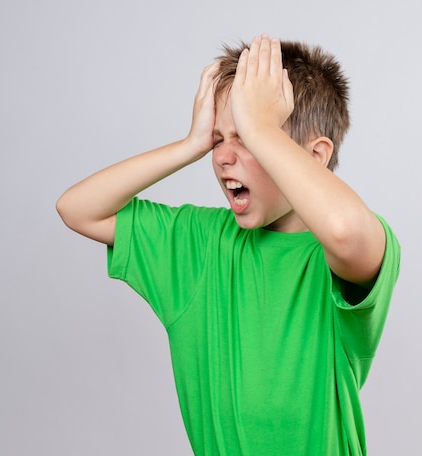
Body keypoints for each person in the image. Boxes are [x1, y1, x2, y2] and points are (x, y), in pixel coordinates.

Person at [57, 34, 400, 456]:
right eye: (219, 139)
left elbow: (345, 230)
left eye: (249, 138)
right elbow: (78, 209)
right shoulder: (199, 245)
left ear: (314, 157)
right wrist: (188, 146)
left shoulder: (338, 257)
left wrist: (257, 127)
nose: (222, 157)